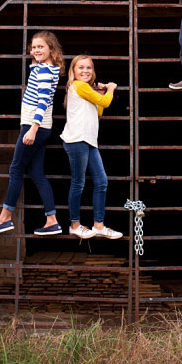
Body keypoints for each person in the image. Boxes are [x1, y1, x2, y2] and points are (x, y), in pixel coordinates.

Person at [0, 31, 65, 236]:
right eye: (34, 47)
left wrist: (33, 128)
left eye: (41, 47)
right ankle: (52, 220)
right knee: (37, 173)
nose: (36, 50)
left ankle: (5, 218)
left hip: (34, 126)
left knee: (16, 170)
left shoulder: (45, 70)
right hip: (39, 126)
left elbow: (43, 100)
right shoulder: (44, 68)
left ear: (51, 49)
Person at [60, 55, 123, 240]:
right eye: (81, 67)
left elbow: (99, 110)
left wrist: (101, 92)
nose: (85, 71)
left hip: (88, 141)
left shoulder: (86, 88)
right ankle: (75, 225)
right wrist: (110, 89)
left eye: (88, 67)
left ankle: (98, 225)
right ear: (73, 71)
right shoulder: (78, 86)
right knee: (78, 183)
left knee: (101, 181)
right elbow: (105, 103)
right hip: (77, 140)